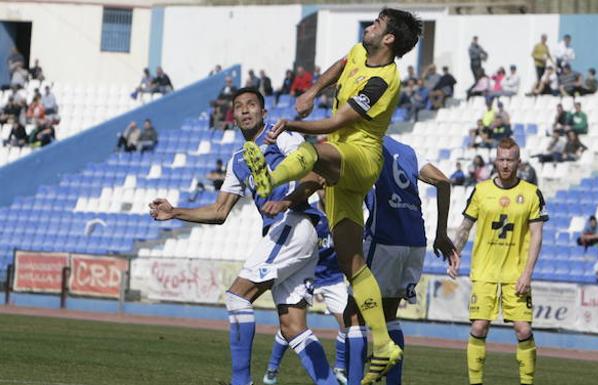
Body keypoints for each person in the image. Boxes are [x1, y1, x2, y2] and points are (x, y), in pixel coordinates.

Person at [240, 9, 422, 384]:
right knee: (351, 263)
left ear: (389, 40)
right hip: (343, 173)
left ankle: (267, 178)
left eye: (377, 24)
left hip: (360, 155)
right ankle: (385, 345)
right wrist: (312, 89)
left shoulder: (382, 81)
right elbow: (341, 65)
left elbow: (339, 123)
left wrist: (292, 122)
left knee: (314, 150)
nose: (370, 26)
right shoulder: (361, 52)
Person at [149, 88, 340, 385]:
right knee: (292, 327)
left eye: (252, 105)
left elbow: (314, 176)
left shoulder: (281, 136)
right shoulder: (238, 160)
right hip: (292, 233)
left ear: (264, 112)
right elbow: (219, 211)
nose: (245, 110)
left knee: (237, 297)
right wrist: (175, 212)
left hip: (294, 222)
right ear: (234, 116)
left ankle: (241, 382)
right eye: (239, 107)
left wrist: (287, 201)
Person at [261, 136, 459, 385]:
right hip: (415, 240)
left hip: (384, 238)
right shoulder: (407, 150)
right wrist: (441, 233)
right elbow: (443, 181)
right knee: (389, 314)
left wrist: (287, 199)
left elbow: (318, 177)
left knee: (354, 314)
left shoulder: (357, 147)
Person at [453, 137, 548, 385]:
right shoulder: (481, 190)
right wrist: (455, 253)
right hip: (484, 271)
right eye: (501, 159)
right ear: (496, 160)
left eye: (510, 160)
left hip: (515, 273)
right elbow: (465, 227)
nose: (505, 164)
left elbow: (537, 235)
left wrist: (528, 273)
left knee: (523, 330)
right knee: (479, 327)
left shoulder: (531, 193)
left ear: (519, 162)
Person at [263, 194, 349, 385]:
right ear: (318, 190)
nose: (327, 192)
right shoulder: (308, 215)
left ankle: (340, 368)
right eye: (324, 188)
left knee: (348, 323)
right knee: (292, 326)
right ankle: (272, 369)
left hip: (333, 278)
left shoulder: (344, 215)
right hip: (308, 274)